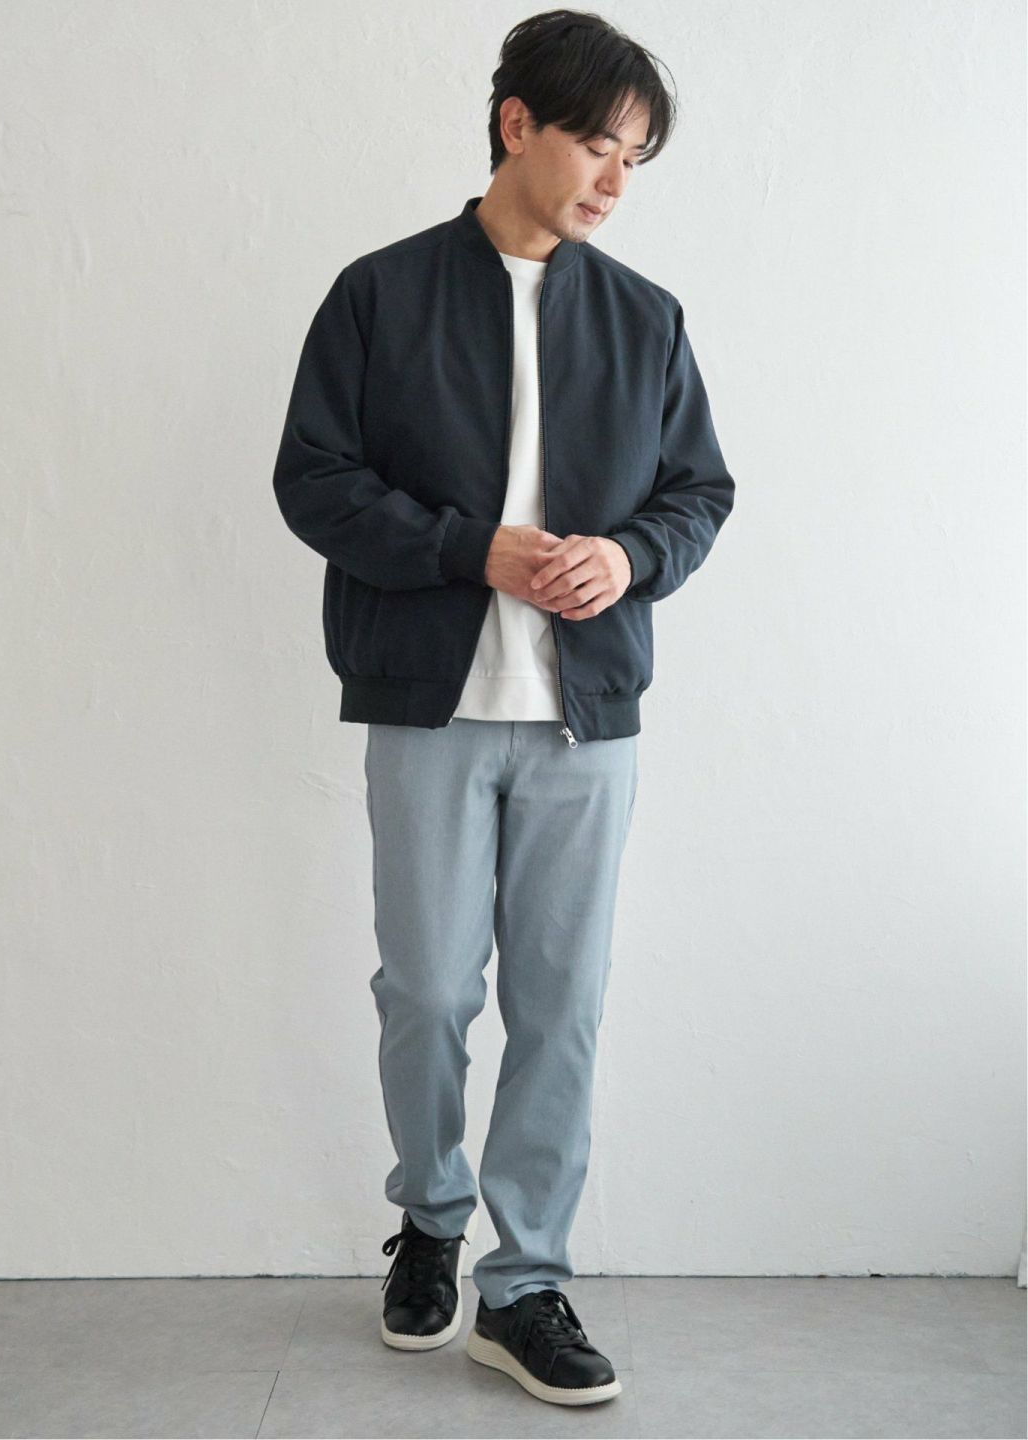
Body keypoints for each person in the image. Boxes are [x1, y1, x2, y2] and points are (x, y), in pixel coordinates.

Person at [272, 8, 735, 1408]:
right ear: (515, 124)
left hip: (586, 717)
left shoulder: (645, 318)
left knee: (561, 1005)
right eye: (598, 143)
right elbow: (313, 480)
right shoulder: (380, 294)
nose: (614, 178)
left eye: (636, 157)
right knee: (425, 991)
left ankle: (524, 1282)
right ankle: (429, 1216)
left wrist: (630, 557)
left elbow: (698, 493)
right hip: (429, 703)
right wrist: (467, 548)